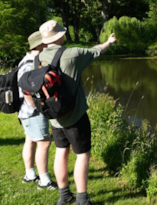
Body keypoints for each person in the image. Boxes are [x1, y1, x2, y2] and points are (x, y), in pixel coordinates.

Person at [38, 20, 117, 205]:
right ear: (61, 36)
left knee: (60, 152)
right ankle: (82, 200)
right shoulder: (72, 54)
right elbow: (96, 51)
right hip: (75, 116)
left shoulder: (38, 58)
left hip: (55, 116)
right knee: (82, 155)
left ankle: (64, 196)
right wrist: (109, 42)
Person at [17, 31, 58, 190]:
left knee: (30, 140)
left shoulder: (28, 60)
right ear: (39, 45)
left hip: (25, 112)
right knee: (44, 143)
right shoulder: (30, 64)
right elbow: (26, 92)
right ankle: (44, 180)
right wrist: (41, 108)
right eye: (45, 42)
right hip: (33, 112)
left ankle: (30, 174)